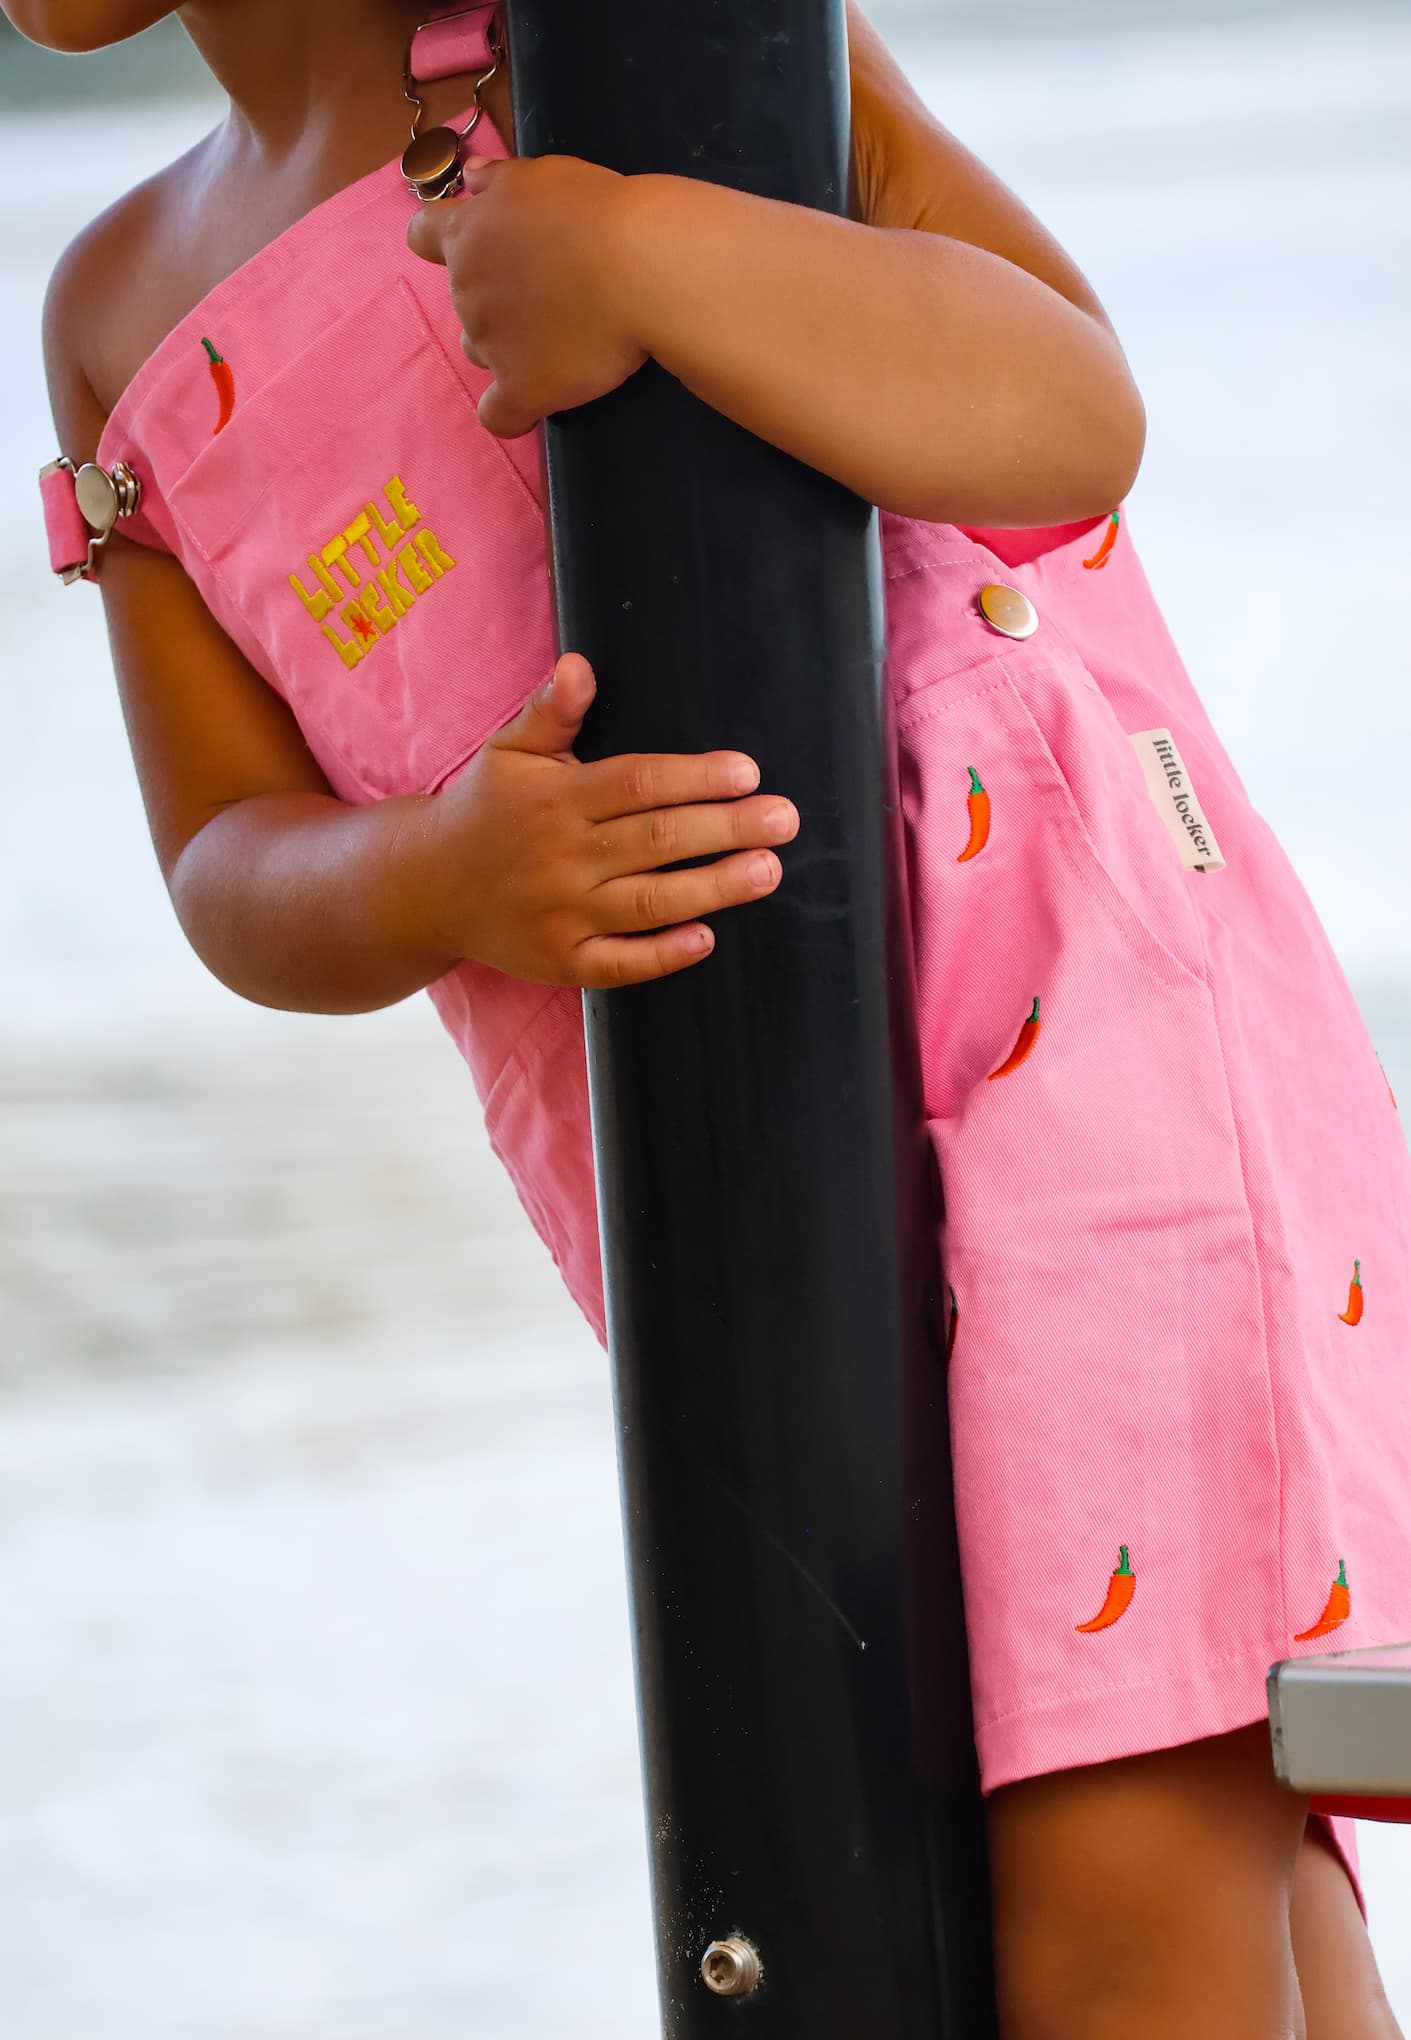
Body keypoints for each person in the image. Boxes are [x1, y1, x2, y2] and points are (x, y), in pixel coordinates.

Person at [16, 0, 1409, 2028]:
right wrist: (441, 874)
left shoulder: (647, 32)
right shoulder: (111, 309)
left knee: (1120, 1853)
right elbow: (227, 854)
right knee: (986, 1845)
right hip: (717, 1163)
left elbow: (1065, 414)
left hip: (1074, 1022)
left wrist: (654, 252)